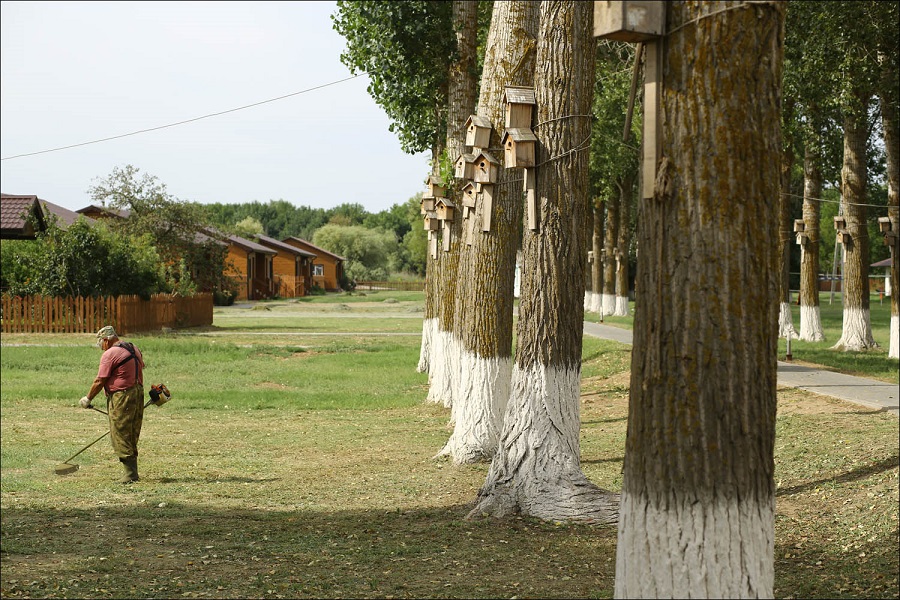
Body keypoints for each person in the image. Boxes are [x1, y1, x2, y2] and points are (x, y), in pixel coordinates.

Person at [80, 325, 145, 483]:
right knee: (131, 430)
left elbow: (100, 380)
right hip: (137, 392)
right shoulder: (132, 347)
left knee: (120, 432)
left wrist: (88, 399)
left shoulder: (110, 354)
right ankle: (132, 471)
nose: (101, 347)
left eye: (101, 343)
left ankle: (130, 474)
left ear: (106, 340)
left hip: (122, 396)